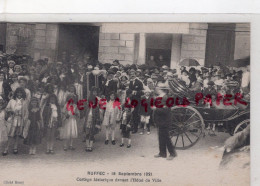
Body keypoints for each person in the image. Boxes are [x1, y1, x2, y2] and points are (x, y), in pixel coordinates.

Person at [153, 83, 177, 160]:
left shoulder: (165, 97)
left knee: (166, 137)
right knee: (160, 137)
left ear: (160, 89)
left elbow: (166, 110)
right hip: (160, 120)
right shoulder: (160, 97)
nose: (156, 89)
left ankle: (172, 153)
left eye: (157, 87)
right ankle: (162, 153)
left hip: (165, 120)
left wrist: (156, 108)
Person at [3, 87, 28, 155]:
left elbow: (26, 112)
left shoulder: (25, 102)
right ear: (15, 93)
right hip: (13, 119)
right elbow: (7, 109)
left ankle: (15, 147)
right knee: (10, 134)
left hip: (20, 119)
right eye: (18, 92)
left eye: (21, 92)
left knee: (17, 134)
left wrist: (24, 119)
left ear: (23, 94)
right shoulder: (12, 101)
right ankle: (6, 148)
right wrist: (11, 111)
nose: (19, 94)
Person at [126, 69, 144, 133]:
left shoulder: (139, 82)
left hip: (137, 101)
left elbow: (142, 92)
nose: (132, 75)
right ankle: (131, 126)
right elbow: (127, 91)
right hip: (131, 100)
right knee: (131, 114)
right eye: (131, 74)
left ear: (135, 74)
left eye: (133, 74)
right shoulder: (129, 82)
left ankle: (135, 128)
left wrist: (135, 92)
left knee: (135, 114)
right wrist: (130, 92)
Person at [84, 87, 101, 152]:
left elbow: (98, 116)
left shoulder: (96, 108)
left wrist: (97, 123)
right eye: (91, 101)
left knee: (91, 134)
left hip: (93, 123)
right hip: (87, 123)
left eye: (93, 101)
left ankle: (90, 146)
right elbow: (85, 116)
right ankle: (87, 145)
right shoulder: (87, 108)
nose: (92, 102)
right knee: (87, 134)